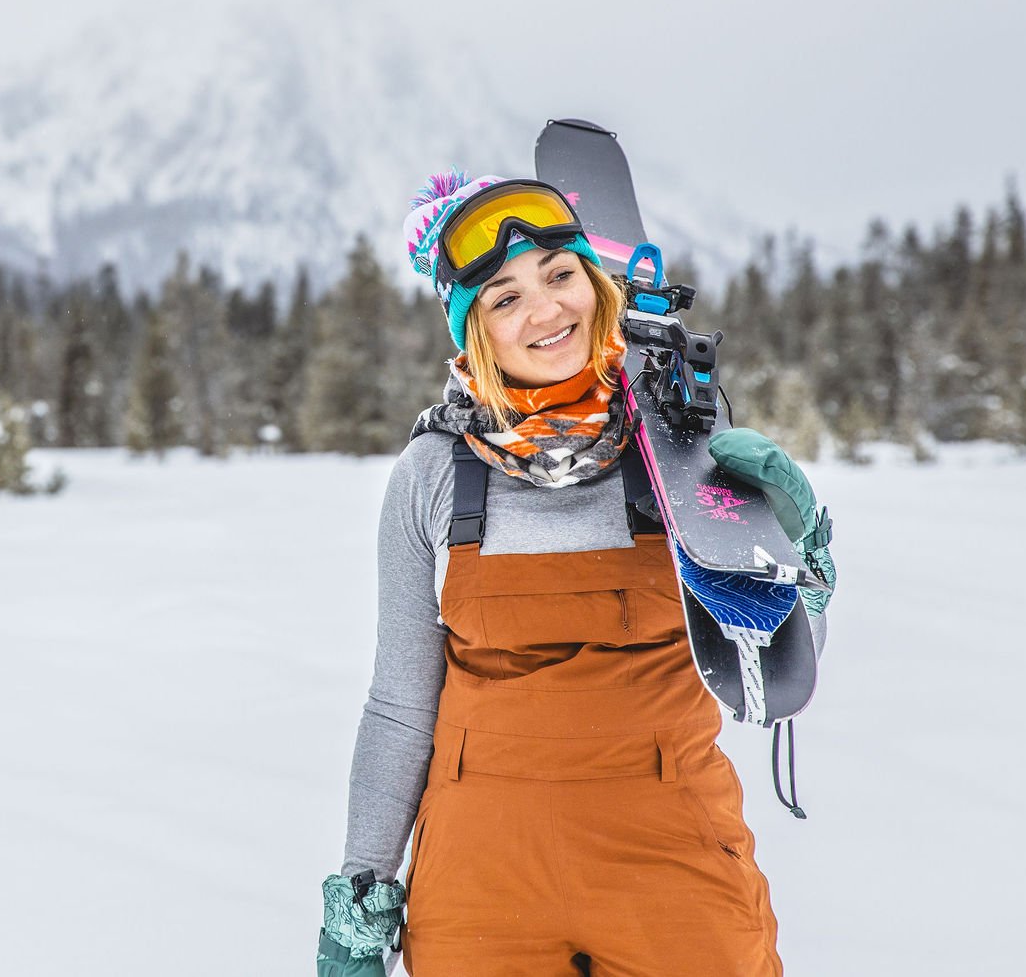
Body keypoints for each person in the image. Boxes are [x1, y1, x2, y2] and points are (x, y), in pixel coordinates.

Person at [315, 171, 836, 977]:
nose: (545, 310)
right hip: (479, 885)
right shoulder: (430, 473)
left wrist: (801, 570)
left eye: (560, 276)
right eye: (504, 297)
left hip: (673, 863)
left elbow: (769, 671)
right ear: (473, 332)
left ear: (596, 285)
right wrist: (362, 882)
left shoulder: (682, 451)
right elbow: (398, 704)